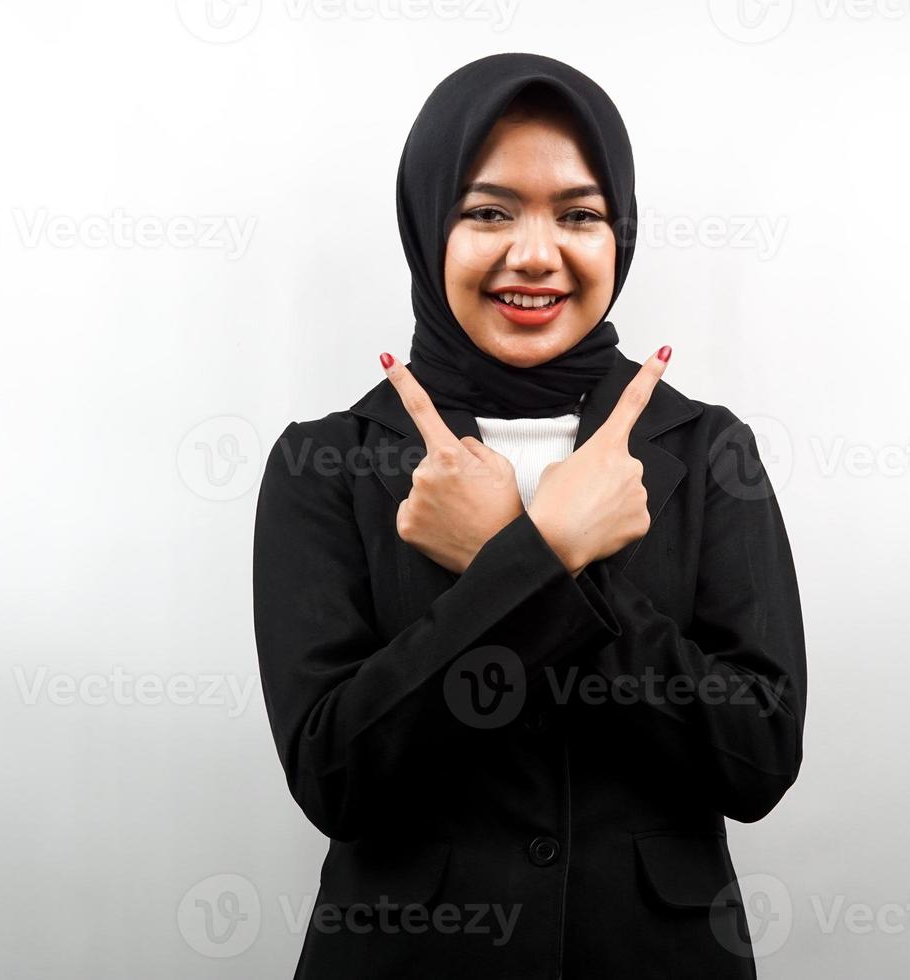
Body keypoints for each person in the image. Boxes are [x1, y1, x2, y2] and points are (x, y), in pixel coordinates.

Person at [252, 51, 807, 979]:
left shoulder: (708, 448)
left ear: (618, 234)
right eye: (488, 211)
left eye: (579, 214)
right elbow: (334, 777)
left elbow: (754, 760)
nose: (536, 254)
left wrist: (517, 562)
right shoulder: (328, 461)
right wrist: (543, 551)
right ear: (429, 227)